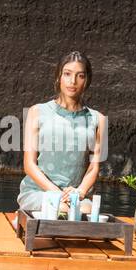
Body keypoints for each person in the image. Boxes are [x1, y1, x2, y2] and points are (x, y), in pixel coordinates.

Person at [16, 51, 107, 219]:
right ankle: (26, 218)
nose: (72, 81)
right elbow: (29, 164)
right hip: (39, 192)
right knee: (63, 209)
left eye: (80, 76)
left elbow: (94, 167)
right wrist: (56, 194)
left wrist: (79, 192)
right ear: (58, 77)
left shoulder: (98, 119)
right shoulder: (37, 111)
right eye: (67, 74)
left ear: (86, 80)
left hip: (74, 197)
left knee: (87, 210)